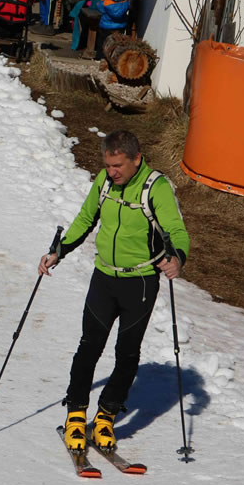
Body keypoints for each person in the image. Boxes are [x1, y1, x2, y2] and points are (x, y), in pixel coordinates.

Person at [38, 130, 189, 453]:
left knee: (127, 353)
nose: (112, 172)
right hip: (104, 278)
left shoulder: (156, 188)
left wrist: (177, 257)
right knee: (89, 346)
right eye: (108, 165)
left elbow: (176, 230)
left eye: (118, 165)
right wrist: (59, 251)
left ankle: (106, 415)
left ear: (137, 159)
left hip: (140, 282)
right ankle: (76, 415)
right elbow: (85, 218)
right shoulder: (105, 182)